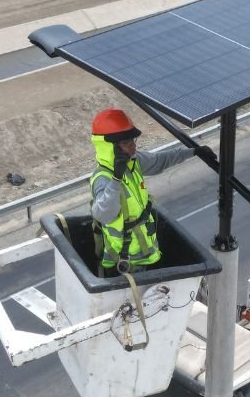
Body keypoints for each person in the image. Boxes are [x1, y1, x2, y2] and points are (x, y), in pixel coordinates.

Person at [89, 108, 207, 276]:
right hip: (125, 263)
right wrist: (116, 178)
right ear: (110, 147)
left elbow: (160, 160)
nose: (133, 146)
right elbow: (103, 215)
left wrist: (194, 152)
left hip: (143, 255)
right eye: (126, 142)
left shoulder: (133, 161)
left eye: (133, 140)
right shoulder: (103, 178)